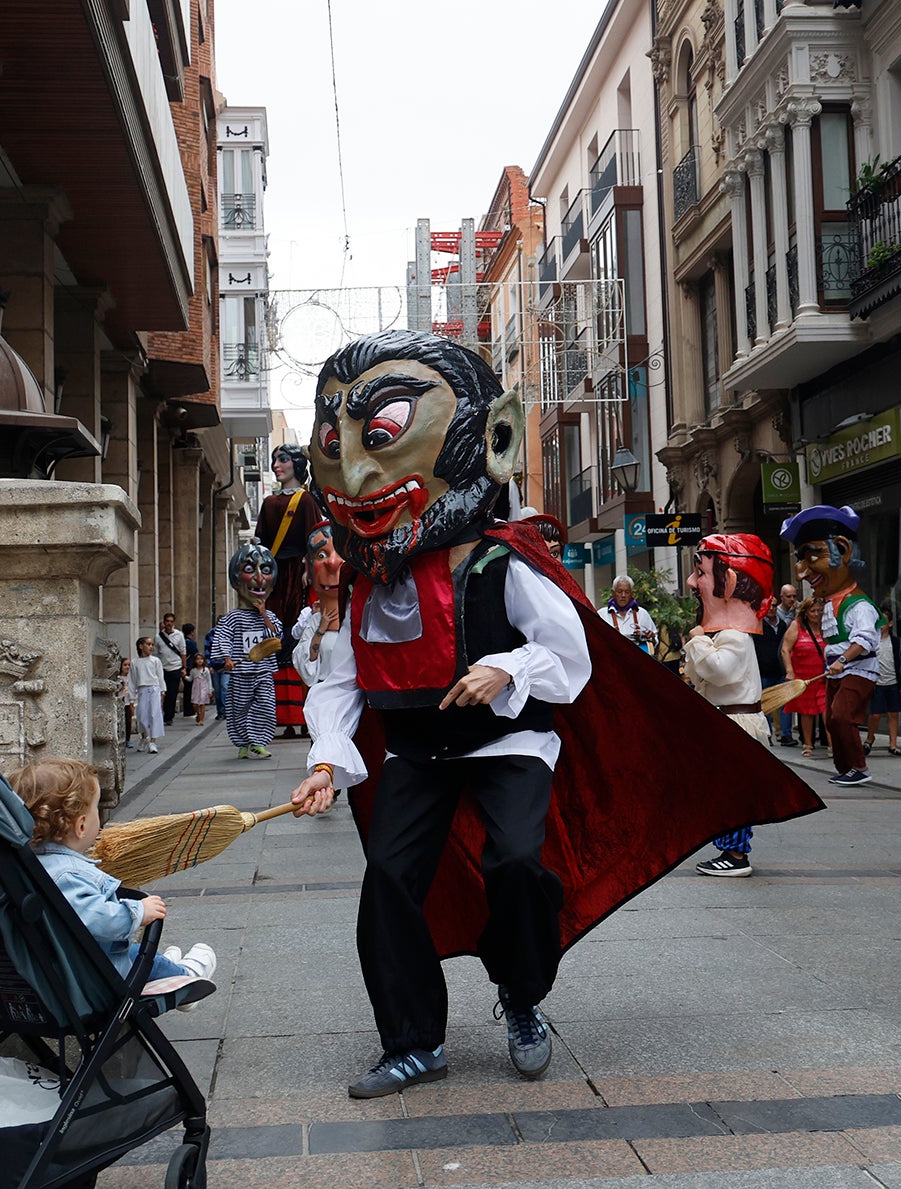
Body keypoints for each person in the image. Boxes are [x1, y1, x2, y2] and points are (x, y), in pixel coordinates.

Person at [285, 331, 820, 1099]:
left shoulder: (501, 561)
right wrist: (328, 761)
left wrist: (505, 667)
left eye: (379, 433)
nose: (355, 469)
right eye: (334, 442)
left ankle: (522, 993)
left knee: (514, 865)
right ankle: (411, 1042)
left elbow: (569, 656)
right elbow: (343, 681)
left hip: (508, 742)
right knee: (389, 887)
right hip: (416, 754)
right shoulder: (370, 586)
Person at [14, 758, 216, 995]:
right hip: (90, 978)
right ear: (81, 826)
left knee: (140, 954)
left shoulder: (26, 865)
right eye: (96, 809)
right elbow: (96, 919)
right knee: (147, 960)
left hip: (65, 965)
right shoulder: (67, 875)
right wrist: (138, 912)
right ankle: (186, 979)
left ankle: (168, 968)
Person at [682, 534, 778, 877]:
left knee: (732, 793)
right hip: (728, 723)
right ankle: (731, 850)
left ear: (730, 582)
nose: (693, 582)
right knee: (724, 790)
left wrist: (696, 644)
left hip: (737, 724)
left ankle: (737, 855)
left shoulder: (734, 635)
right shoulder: (725, 634)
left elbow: (718, 671)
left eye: (701, 573)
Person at [783, 505, 879, 786]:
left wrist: (843, 660)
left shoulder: (859, 604)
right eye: (799, 561)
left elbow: (864, 639)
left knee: (841, 716)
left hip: (857, 670)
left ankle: (859, 767)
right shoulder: (828, 604)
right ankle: (845, 768)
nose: (801, 573)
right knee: (831, 720)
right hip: (837, 671)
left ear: (842, 549)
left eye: (811, 557)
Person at [257, 442, 325, 738]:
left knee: (300, 636)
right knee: (276, 640)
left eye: (282, 460)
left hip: (299, 574)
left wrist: (310, 568)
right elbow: (260, 541)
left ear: (296, 464)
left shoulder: (307, 500)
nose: (277, 465)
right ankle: (282, 717)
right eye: (274, 460)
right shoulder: (269, 503)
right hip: (275, 577)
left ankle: (302, 715)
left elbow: (315, 536)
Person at [212, 543, 282, 759]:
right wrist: (226, 658)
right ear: (236, 579)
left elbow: (277, 637)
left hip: (263, 671)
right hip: (240, 673)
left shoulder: (269, 616)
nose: (259, 579)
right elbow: (222, 636)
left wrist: (263, 614)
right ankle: (243, 743)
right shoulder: (232, 618)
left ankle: (259, 741)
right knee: (238, 709)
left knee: (266, 705)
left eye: (266, 571)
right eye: (250, 570)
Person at [292, 521, 346, 688]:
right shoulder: (313, 623)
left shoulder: (361, 617)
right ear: (309, 568)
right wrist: (321, 628)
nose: (333, 563)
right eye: (321, 555)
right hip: (325, 698)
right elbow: (307, 667)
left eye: (342, 552)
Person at [783, 601, 829, 757]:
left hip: (823, 676)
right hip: (803, 676)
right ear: (805, 612)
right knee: (806, 712)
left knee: (826, 711)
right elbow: (785, 649)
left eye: (819, 610)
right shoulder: (797, 626)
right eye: (813, 611)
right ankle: (808, 744)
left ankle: (833, 745)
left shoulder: (826, 626)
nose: (817, 614)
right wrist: (789, 671)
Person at [865, 609, 901, 757]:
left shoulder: (896, 642)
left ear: (890, 624)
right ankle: (870, 738)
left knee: (893, 714)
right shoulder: (871, 642)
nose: (880, 625)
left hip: (893, 682)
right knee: (875, 714)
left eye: (883, 622)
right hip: (876, 682)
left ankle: (893, 744)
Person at [765, 584, 801, 744]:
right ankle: (768, 734)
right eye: (769, 606)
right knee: (765, 703)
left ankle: (786, 735)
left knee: (786, 703)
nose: (772, 609)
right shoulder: (760, 625)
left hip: (782, 668)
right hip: (765, 670)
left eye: (794, 596)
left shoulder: (782, 623)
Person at [599, 575, 659, 655]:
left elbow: (655, 642)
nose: (623, 595)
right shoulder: (602, 615)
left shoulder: (642, 613)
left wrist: (651, 637)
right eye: (619, 592)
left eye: (627, 592)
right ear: (613, 592)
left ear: (632, 593)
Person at [130, 637, 165, 753]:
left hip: (154, 689)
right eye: (148, 644)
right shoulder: (135, 662)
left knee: (155, 715)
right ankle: (144, 737)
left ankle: (153, 742)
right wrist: (131, 698)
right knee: (142, 716)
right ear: (141, 646)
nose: (151, 647)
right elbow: (132, 681)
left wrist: (162, 690)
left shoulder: (155, 661)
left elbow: (160, 677)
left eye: (152, 645)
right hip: (142, 690)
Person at [156, 613, 188, 726]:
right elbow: (156, 653)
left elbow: (183, 652)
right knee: (163, 692)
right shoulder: (158, 636)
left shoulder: (179, 635)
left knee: (172, 692)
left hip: (175, 667)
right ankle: (163, 712)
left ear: (173, 622)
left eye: (171, 621)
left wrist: (184, 667)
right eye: (167, 621)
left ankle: (169, 716)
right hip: (163, 667)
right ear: (164, 622)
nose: (169, 623)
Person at [188, 655, 214, 726]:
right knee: (195, 704)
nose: (200, 661)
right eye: (198, 659)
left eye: (201, 659)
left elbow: (209, 680)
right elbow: (190, 679)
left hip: (204, 688)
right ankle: (198, 715)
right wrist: (184, 676)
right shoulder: (193, 670)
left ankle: (201, 720)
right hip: (196, 688)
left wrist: (210, 690)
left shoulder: (206, 670)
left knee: (202, 704)